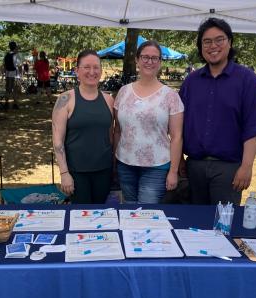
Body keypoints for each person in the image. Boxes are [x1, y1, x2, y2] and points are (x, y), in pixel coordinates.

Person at [179, 17, 256, 205]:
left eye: (219, 39)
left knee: (223, 227)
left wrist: (246, 166)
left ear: (230, 42)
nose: (213, 46)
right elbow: (178, 125)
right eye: (207, 41)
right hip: (194, 166)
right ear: (201, 46)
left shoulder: (247, 80)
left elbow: (253, 126)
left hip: (229, 169)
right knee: (194, 225)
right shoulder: (191, 82)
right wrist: (179, 160)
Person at [113, 40, 184, 204]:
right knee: (129, 209)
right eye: (145, 57)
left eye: (154, 58)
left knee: (146, 212)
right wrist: (114, 160)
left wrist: (173, 171)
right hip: (125, 163)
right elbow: (117, 130)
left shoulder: (171, 96)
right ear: (137, 60)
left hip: (156, 166)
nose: (149, 62)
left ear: (160, 62)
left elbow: (177, 137)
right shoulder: (123, 92)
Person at [52, 50, 114, 204]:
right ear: (77, 71)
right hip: (76, 173)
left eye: (96, 67)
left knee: (101, 214)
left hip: (104, 171)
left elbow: (111, 135)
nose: (92, 72)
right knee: (81, 218)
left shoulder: (109, 100)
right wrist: (64, 173)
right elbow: (57, 141)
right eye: (87, 67)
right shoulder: (65, 99)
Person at [4, 41, 22, 109]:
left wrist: (5, 75)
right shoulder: (16, 55)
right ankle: (15, 104)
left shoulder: (6, 55)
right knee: (15, 90)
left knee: (7, 90)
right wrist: (20, 76)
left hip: (8, 74)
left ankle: (6, 103)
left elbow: (5, 66)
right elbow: (19, 66)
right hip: (15, 75)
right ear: (15, 47)